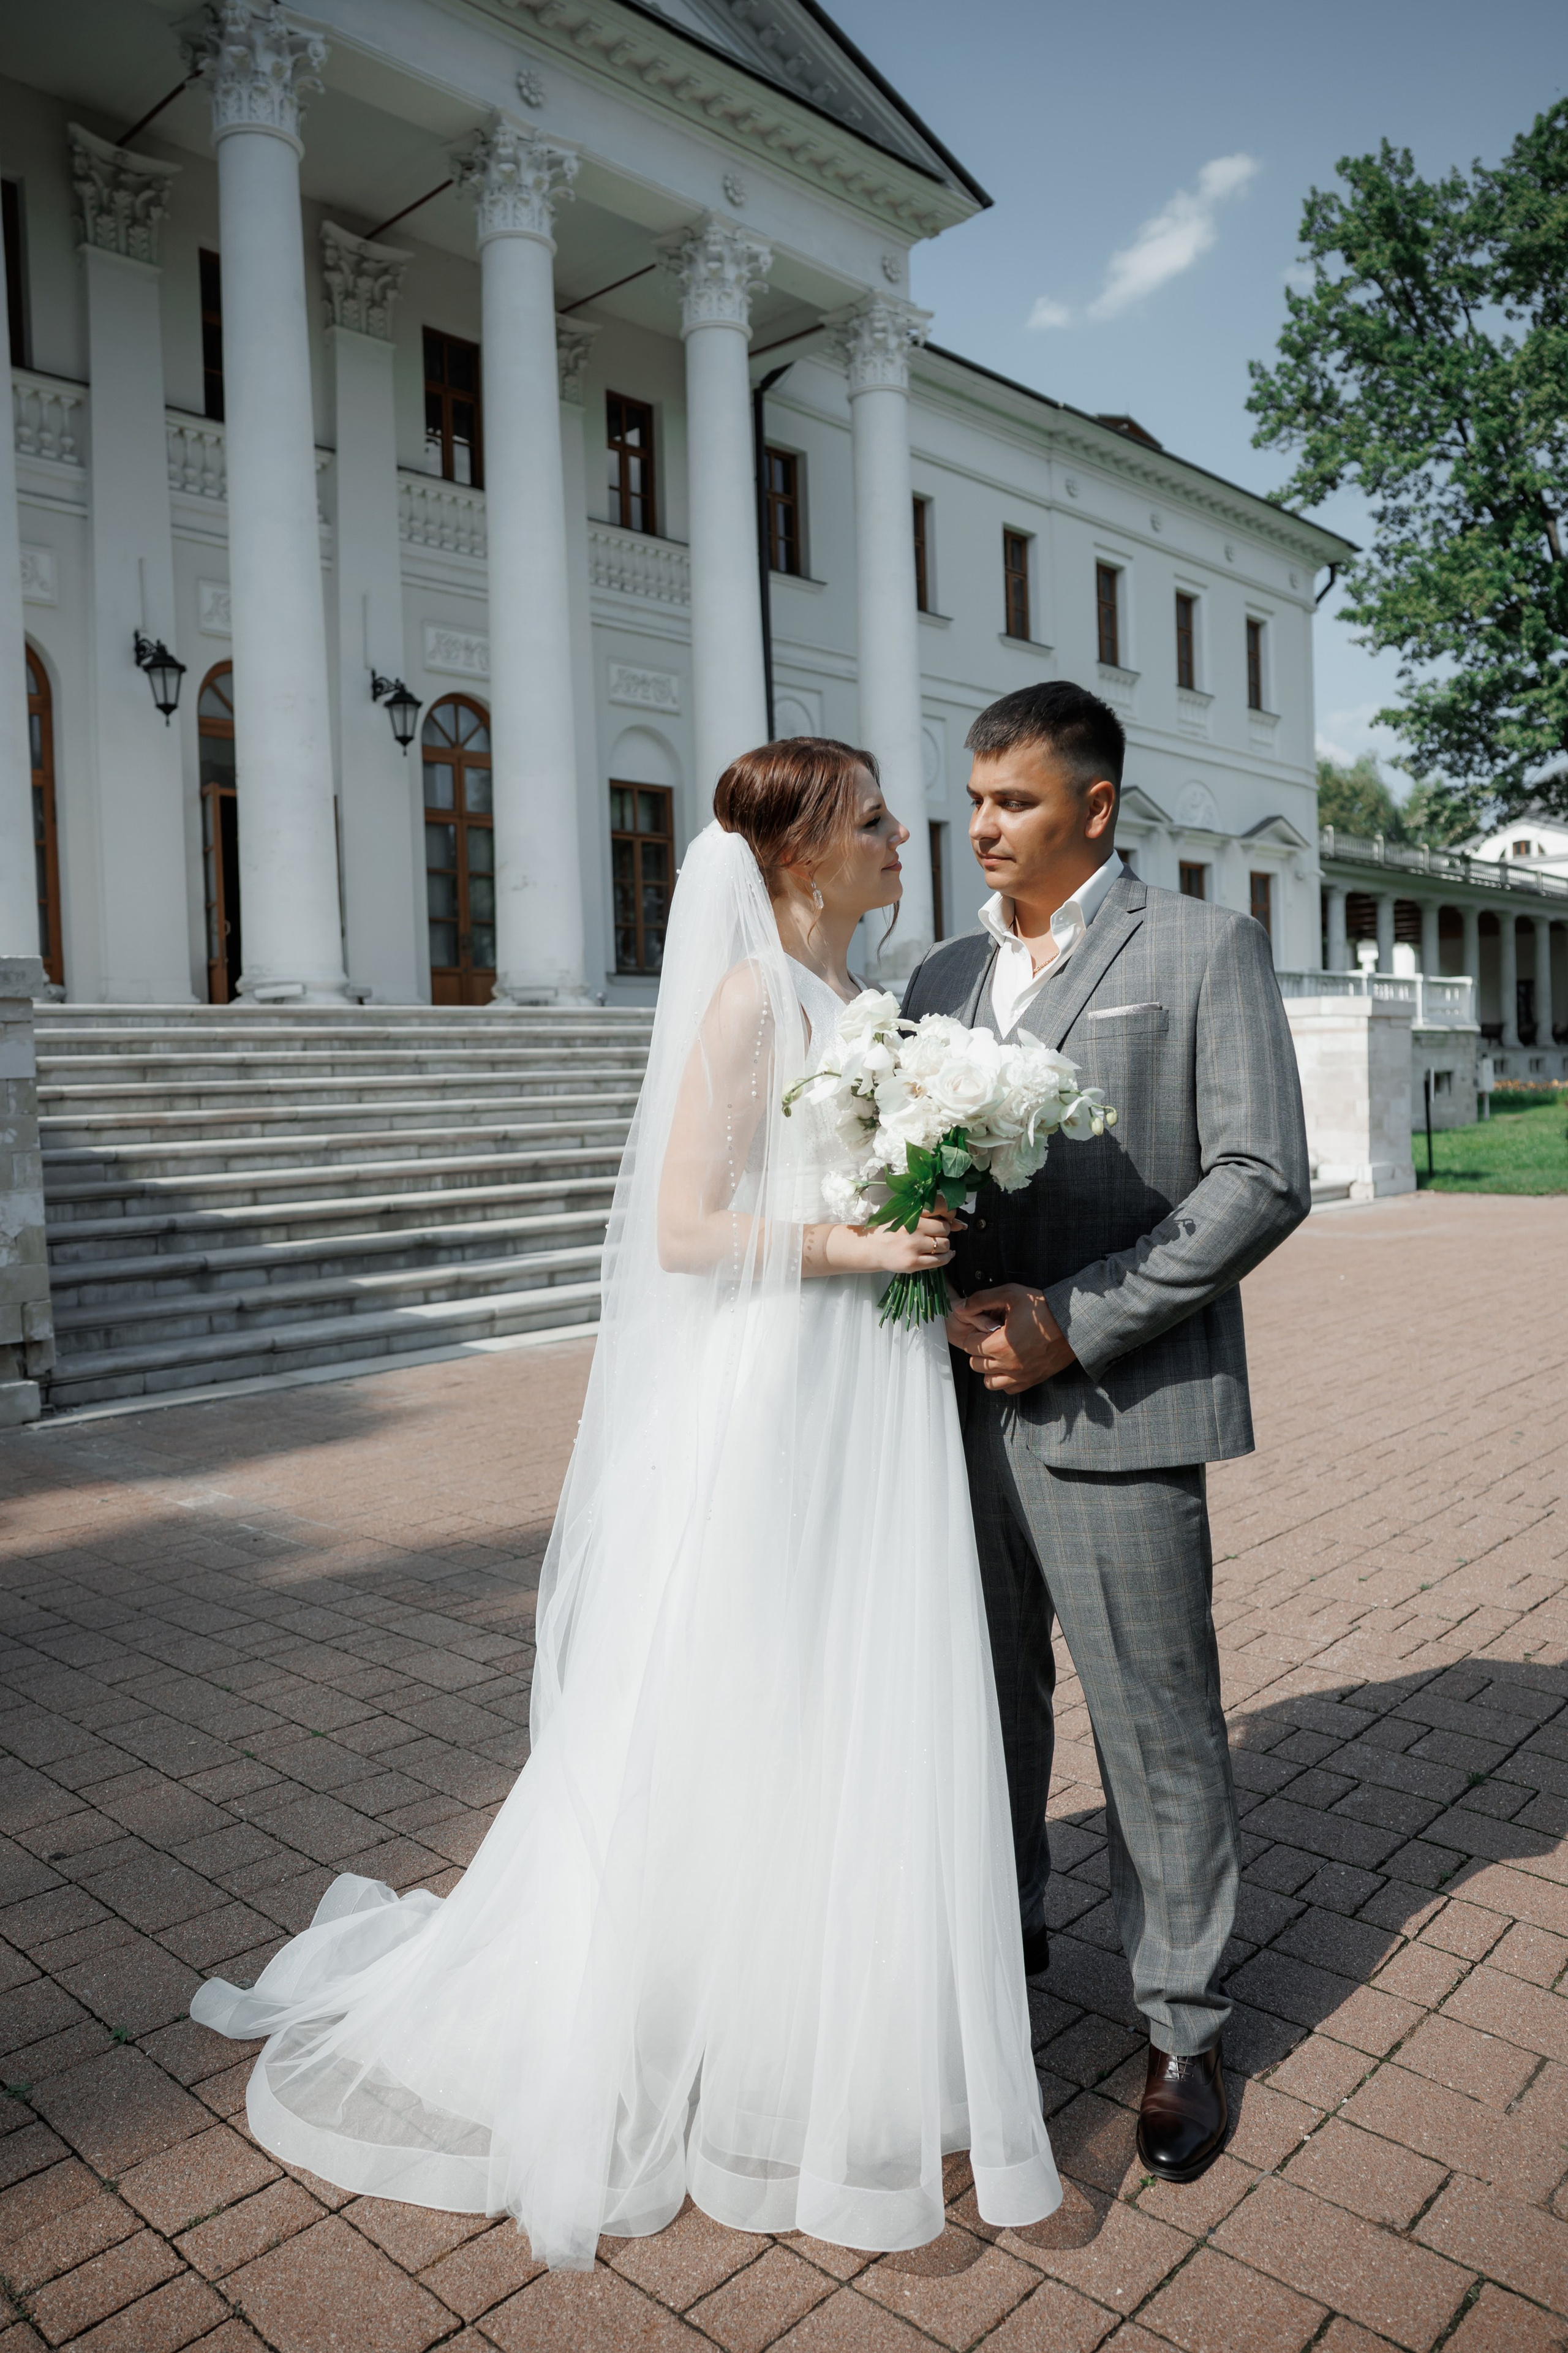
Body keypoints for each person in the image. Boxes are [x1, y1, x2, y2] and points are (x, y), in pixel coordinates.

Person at [192, 738, 1062, 2270]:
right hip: (776, 1396)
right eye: (872, 823)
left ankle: (799, 2010)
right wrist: (871, 1251)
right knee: (737, 1691)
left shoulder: (864, 1009)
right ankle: (677, 2014)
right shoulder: (748, 1003)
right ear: (799, 859)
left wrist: (912, 1214)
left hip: (862, 1400)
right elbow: (680, 1226)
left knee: (829, 1693)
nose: (899, 838)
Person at [903, 681, 1310, 2185]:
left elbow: (1260, 1174)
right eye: (972, 799)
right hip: (948, 1414)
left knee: (1153, 1723)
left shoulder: (1202, 946)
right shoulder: (937, 974)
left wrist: (1071, 1317)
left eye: (1011, 800)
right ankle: (1001, 1957)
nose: (980, 825)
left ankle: (1182, 2021)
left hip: (1119, 1401)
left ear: (1094, 806)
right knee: (979, 1709)